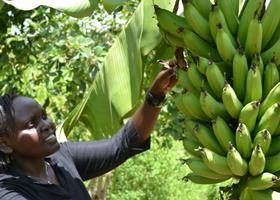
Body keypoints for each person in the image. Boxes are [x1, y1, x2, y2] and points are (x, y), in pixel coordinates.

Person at [0, 64, 178, 200]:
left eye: (44, 116)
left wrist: (156, 94)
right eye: (32, 124)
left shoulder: (62, 158)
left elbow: (122, 145)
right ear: (5, 144)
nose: (46, 124)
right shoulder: (8, 190)